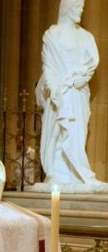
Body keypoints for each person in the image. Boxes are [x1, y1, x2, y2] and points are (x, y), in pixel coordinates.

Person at [32, 0, 108, 192]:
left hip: (78, 92)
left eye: (81, 9)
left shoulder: (86, 37)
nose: (79, 12)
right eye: (76, 8)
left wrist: (83, 77)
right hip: (59, 92)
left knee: (76, 133)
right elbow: (48, 65)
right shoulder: (52, 34)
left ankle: (79, 175)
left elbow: (92, 62)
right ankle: (57, 175)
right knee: (58, 133)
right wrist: (54, 88)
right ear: (66, 9)